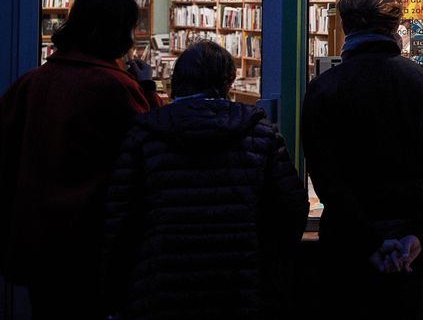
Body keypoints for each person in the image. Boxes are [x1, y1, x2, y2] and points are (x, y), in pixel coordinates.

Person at [101, 40, 307, 320]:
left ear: (178, 80)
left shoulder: (145, 133)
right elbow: (291, 206)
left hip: (162, 280)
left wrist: (117, 286)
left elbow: (119, 217)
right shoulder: (259, 132)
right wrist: (269, 262)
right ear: (228, 80)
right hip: (239, 279)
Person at [0, 0, 160, 319]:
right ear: (116, 32)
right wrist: (147, 86)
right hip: (91, 240)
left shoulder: (32, 82)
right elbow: (152, 144)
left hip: (36, 237)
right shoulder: (115, 87)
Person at [302, 0, 423, 316]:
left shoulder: (324, 89)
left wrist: (370, 241)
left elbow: (327, 178)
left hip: (346, 244)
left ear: (344, 25)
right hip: (407, 243)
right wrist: (417, 233)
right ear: (396, 25)